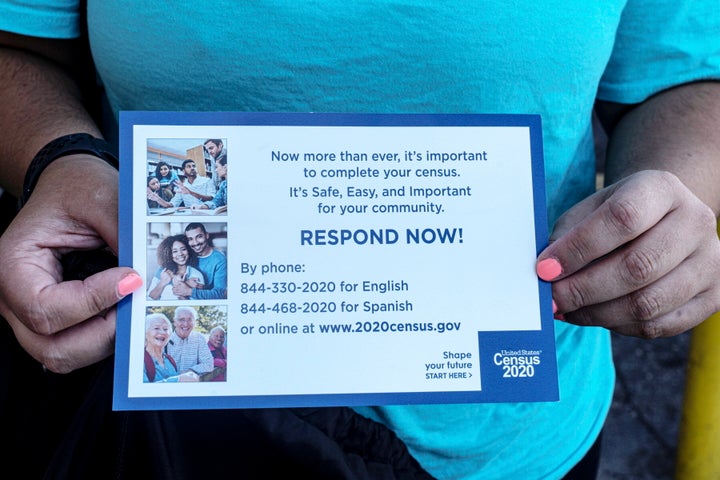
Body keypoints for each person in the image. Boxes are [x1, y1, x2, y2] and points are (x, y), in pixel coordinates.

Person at [0, 3, 718, 479]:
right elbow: (19, 48)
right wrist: (54, 156)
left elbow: (683, 76)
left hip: (504, 431)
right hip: (170, 427)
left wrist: (668, 205)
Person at [172, 222, 227, 300]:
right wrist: (186, 283)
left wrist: (189, 291)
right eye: (190, 239)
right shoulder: (185, 254)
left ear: (207, 235)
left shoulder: (220, 260)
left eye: (199, 237)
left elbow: (219, 294)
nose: (195, 242)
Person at [143, 313, 199, 383]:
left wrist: (185, 376)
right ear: (145, 333)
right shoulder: (139, 360)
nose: (162, 332)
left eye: (165, 329)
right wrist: (178, 379)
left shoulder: (169, 360)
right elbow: (141, 391)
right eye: (156, 328)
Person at [146, 234, 204, 300]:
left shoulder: (196, 275)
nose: (180, 254)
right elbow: (150, 299)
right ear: (168, 254)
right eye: (175, 251)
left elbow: (194, 307)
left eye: (183, 249)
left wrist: (183, 285)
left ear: (189, 250)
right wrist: (162, 282)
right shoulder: (162, 271)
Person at [165, 306, 214, 376]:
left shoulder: (199, 339)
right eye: (181, 319)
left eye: (190, 320)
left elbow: (209, 365)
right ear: (174, 322)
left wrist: (189, 371)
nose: (186, 324)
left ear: (194, 322)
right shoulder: (165, 340)